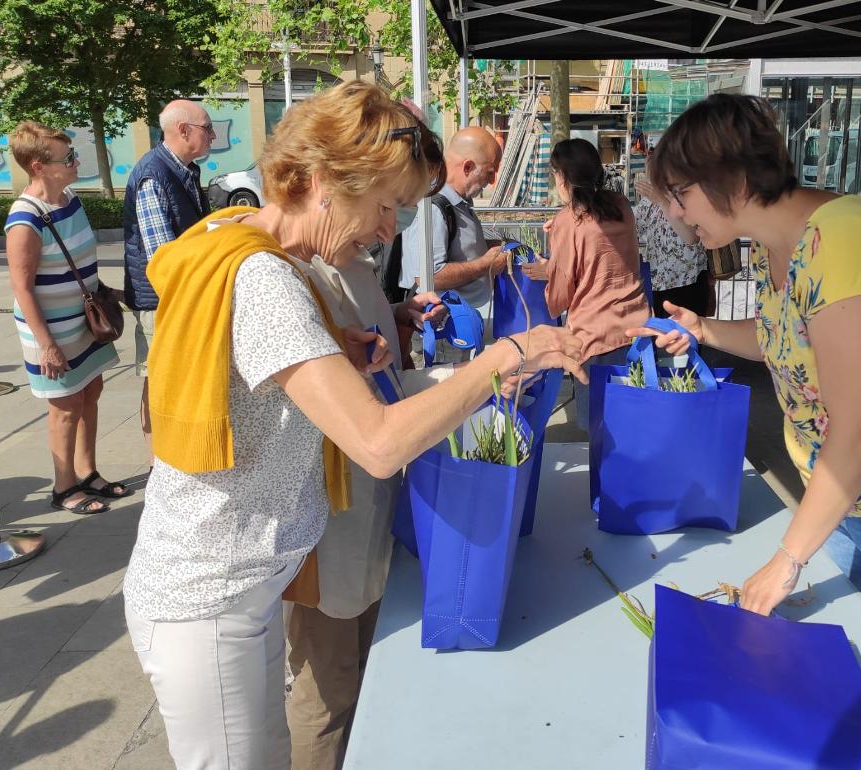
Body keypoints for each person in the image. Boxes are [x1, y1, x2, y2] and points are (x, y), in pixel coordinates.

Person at [121, 81, 585, 770]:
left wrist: (333, 347)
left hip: (234, 586)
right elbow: (377, 442)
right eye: (383, 205)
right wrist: (508, 356)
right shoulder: (269, 280)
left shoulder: (240, 241)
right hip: (211, 595)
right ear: (318, 180)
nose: (387, 229)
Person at [638, 94, 861, 714]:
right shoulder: (770, 245)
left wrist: (786, 558)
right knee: (848, 697)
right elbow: (785, 339)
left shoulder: (843, 241)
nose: (674, 215)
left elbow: (859, 427)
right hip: (843, 504)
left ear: (735, 179)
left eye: (680, 194)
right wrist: (705, 331)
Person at [286, 218, 454, 770]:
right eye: (389, 200)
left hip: (368, 512)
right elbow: (361, 411)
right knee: (327, 691)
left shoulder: (354, 262)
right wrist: (474, 379)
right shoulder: (300, 274)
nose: (393, 221)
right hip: (330, 520)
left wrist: (398, 320)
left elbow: (377, 374)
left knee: (360, 669)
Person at [3, 122, 126, 514]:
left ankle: (87, 472)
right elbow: (22, 288)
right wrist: (47, 345)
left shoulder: (69, 198)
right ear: (39, 166)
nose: (76, 163)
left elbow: (79, 261)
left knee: (90, 391)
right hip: (50, 328)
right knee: (65, 405)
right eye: (67, 158)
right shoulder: (25, 219)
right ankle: (63, 487)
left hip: (83, 318)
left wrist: (107, 292)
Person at [522, 138, 647, 430]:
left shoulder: (569, 221)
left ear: (562, 176)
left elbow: (560, 297)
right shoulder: (621, 206)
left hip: (595, 336)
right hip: (637, 328)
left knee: (600, 429)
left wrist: (548, 268)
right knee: (634, 423)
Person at [123, 100, 214, 469]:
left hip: (181, 299)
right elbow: (164, 257)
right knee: (159, 383)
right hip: (162, 303)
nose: (212, 135)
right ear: (183, 130)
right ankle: (159, 465)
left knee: (177, 383)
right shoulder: (152, 175)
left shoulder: (183, 170)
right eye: (207, 128)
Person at [398, 126, 509, 362]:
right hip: (442, 332)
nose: (491, 181)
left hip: (459, 326)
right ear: (467, 167)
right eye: (489, 172)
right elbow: (428, 275)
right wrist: (486, 263)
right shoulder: (434, 208)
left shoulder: (457, 204)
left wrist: (489, 247)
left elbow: (457, 250)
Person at [634, 172, 712, 318]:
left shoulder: (687, 195)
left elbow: (691, 238)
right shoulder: (648, 202)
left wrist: (661, 200)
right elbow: (633, 225)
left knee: (690, 337)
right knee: (663, 336)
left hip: (689, 282)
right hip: (659, 283)